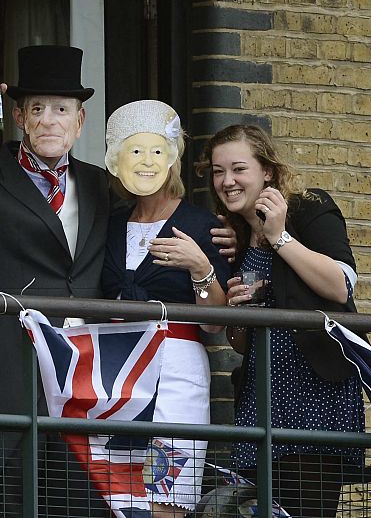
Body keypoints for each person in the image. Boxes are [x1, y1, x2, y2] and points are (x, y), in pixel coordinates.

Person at [0, 44, 112, 516]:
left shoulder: (102, 184)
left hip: (85, 374)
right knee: (7, 499)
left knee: (82, 501)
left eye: (62, 109)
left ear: (80, 121)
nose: (50, 120)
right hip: (12, 366)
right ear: (18, 117)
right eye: (38, 109)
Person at [196, 124, 364, 517]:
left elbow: (342, 285)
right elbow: (239, 342)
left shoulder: (307, 206)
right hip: (262, 396)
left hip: (314, 395)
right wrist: (238, 310)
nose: (227, 181)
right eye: (218, 172)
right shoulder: (236, 232)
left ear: (267, 171)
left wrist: (280, 237)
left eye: (239, 169)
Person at [101, 100, 230, 516]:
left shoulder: (202, 225)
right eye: (134, 152)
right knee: (118, 496)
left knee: (165, 498)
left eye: (156, 151)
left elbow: (215, 325)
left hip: (175, 377)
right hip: (115, 374)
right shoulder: (109, 225)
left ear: (171, 159)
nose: (145, 162)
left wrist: (201, 267)